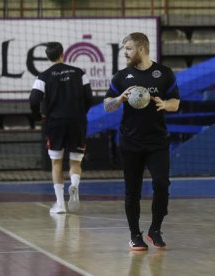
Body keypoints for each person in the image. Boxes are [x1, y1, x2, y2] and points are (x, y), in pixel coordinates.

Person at [104, 32, 180, 251]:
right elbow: (107, 105)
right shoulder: (121, 77)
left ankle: (155, 229)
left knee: (162, 185)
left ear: (141, 49)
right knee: (132, 190)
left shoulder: (163, 74)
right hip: (130, 142)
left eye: (128, 48)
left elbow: (176, 102)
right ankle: (134, 235)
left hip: (157, 142)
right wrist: (119, 99)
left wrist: (166, 105)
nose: (125, 53)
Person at [30, 42, 93, 214]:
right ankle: (74, 185)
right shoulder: (80, 73)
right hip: (77, 122)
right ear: (62, 54)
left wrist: (38, 117)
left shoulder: (43, 76)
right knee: (75, 160)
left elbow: (34, 100)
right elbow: (90, 97)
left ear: (48, 56)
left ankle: (60, 204)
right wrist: (80, 113)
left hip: (55, 123)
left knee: (56, 162)